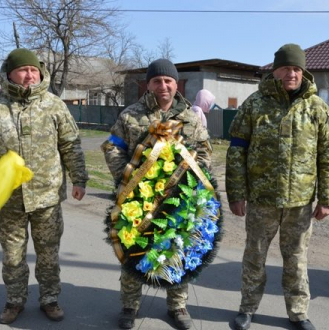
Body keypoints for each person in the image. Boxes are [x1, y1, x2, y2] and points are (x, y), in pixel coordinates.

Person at [0, 48, 89, 324]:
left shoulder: (54, 104)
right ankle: (14, 301)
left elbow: (70, 144)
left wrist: (79, 179)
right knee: (12, 256)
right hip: (8, 196)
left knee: (48, 254)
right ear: (10, 73)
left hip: (47, 195)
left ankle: (50, 299)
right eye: (23, 70)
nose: (29, 75)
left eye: (34, 70)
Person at [226, 43, 329, 330]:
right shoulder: (254, 104)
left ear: (303, 72)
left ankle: (298, 313)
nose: (292, 73)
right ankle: (247, 309)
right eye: (287, 68)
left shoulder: (316, 108)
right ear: (275, 70)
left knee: (297, 261)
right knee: (254, 257)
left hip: (299, 203)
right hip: (261, 200)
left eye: (297, 69)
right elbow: (237, 150)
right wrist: (236, 194)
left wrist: (327, 198)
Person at [101, 58, 212, 330]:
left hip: (178, 198)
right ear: (148, 84)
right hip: (138, 199)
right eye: (157, 81)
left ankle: (178, 305)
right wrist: (125, 179)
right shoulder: (131, 114)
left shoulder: (190, 117)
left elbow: (205, 152)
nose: (163, 86)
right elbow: (112, 147)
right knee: (134, 251)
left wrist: (193, 182)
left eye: (168, 80)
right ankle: (130, 305)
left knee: (178, 249)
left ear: (176, 84)